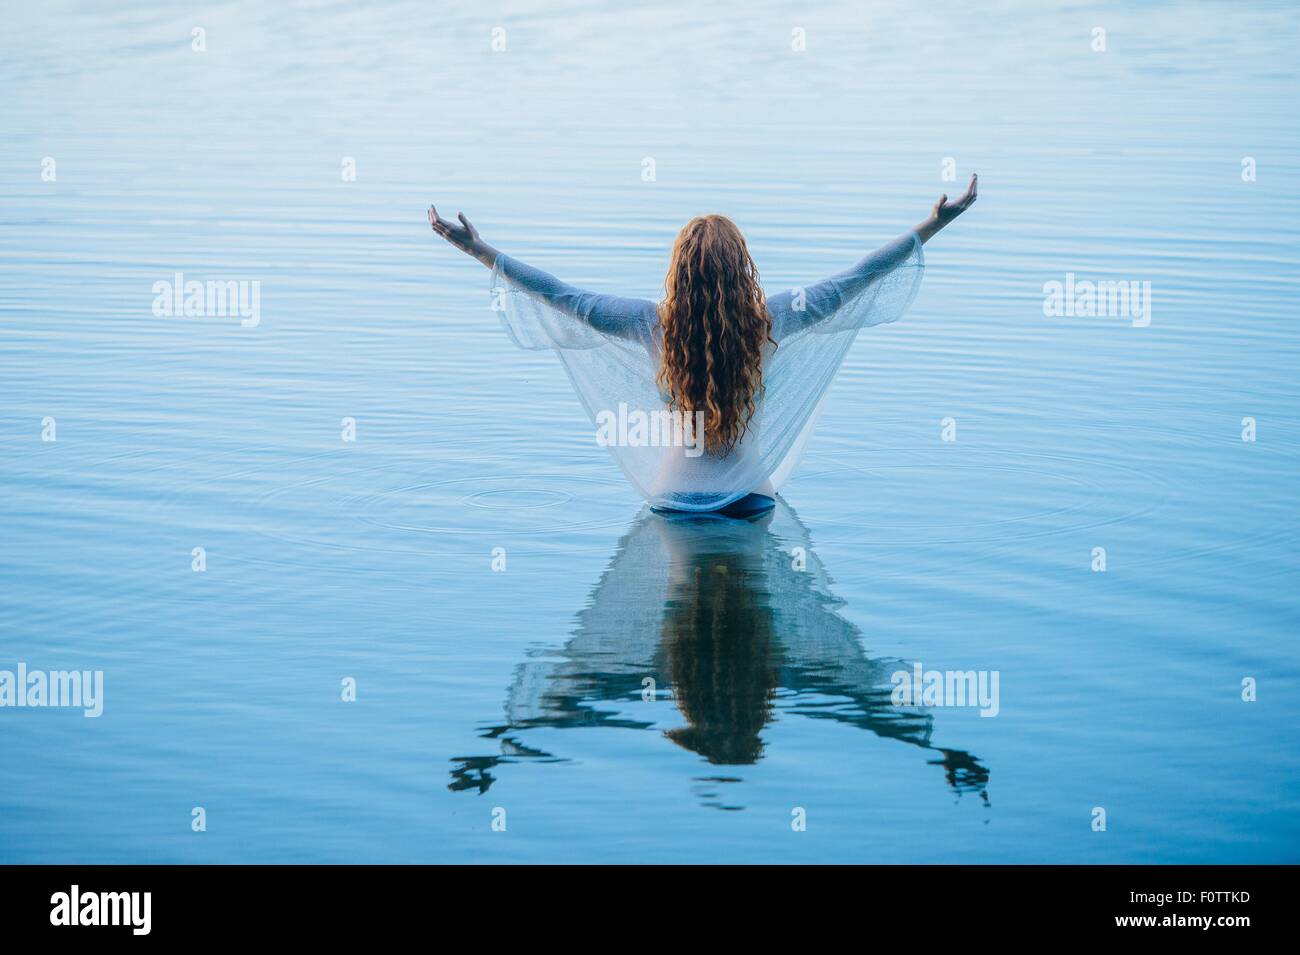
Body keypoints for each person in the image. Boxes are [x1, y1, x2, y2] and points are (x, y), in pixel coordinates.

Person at [428, 174, 977, 514]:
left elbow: (561, 295)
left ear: (679, 273)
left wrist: (479, 250)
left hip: (675, 503)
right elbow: (855, 280)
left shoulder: (649, 325)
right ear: (742, 271)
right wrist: (931, 225)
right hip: (750, 502)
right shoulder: (775, 319)